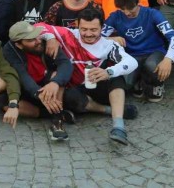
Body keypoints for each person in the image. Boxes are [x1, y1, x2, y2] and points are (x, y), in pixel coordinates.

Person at [53, 9, 139, 145]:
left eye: (93, 30)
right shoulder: (68, 34)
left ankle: (119, 127)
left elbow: (132, 62)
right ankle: (109, 110)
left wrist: (108, 72)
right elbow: (39, 27)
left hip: (98, 86)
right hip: (75, 89)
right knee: (68, 96)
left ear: (102, 28)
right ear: (77, 25)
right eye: (84, 29)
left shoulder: (109, 44)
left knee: (116, 77)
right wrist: (50, 38)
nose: (88, 34)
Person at [103, 0, 174, 102]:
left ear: (138, 2)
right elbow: (96, 37)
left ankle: (157, 84)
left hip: (154, 52)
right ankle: (138, 80)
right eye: (122, 9)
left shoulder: (152, 14)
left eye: (131, 9)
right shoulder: (115, 16)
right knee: (124, 83)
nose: (127, 13)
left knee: (151, 65)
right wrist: (111, 39)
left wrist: (168, 59)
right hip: (131, 55)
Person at [3, 21, 78, 141]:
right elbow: (22, 75)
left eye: (36, 36)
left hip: (51, 83)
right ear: (19, 45)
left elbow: (65, 64)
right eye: (31, 40)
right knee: (4, 103)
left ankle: (57, 120)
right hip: (30, 88)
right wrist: (38, 93)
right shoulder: (9, 51)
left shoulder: (46, 41)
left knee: (57, 75)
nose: (37, 41)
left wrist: (55, 82)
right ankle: (49, 113)